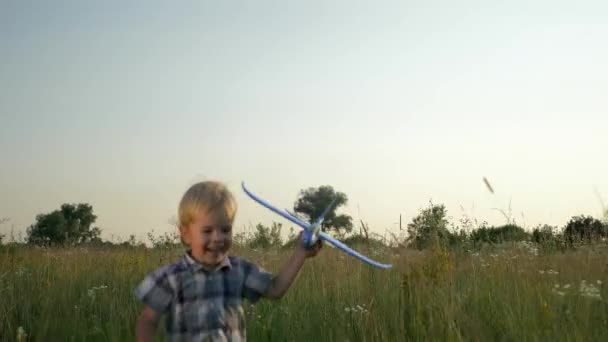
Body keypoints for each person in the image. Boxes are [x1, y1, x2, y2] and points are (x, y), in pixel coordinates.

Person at [134, 181, 322, 341]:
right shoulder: (172, 278)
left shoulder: (239, 270)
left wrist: (301, 254)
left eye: (225, 230)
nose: (218, 238)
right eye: (207, 231)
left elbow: (275, 289)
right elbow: (148, 320)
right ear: (185, 234)